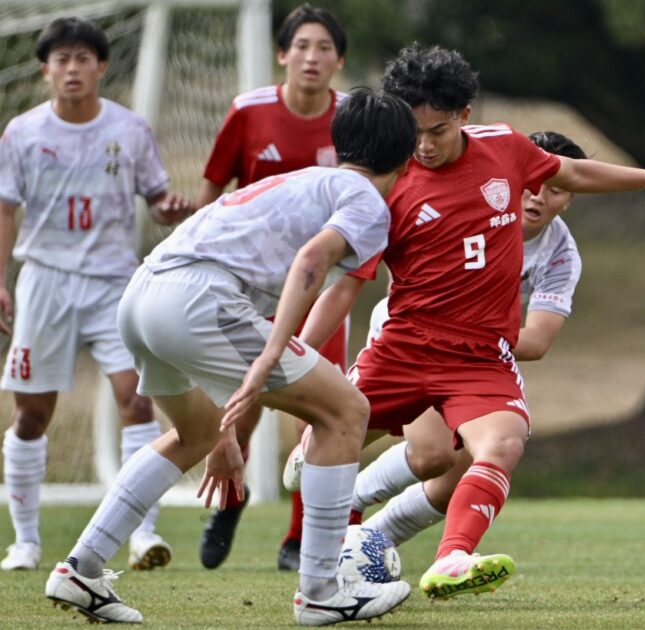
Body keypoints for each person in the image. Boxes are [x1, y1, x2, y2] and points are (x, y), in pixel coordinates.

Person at [224, 42, 645, 601]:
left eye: (437, 131)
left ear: (464, 115)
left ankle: (452, 558)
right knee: (341, 437)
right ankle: (320, 573)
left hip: (479, 355)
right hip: (403, 347)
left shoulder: (506, 148)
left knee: (503, 443)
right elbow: (343, 287)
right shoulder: (386, 186)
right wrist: (292, 356)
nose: (424, 145)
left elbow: (572, 171)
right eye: (413, 132)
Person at [43, 89, 417, 625]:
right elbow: (313, 260)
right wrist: (271, 351)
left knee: (194, 435)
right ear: (406, 160)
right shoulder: (366, 201)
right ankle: (321, 590)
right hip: (199, 300)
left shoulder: (301, 181)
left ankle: (81, 568)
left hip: (144, 294)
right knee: (347, 411)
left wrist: (225, 435)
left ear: (338, 144)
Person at [284, 131, 588, 548]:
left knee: (449, 478)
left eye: (555, 190)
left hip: (478, 352)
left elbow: (535, 341)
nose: (538, 196)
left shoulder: (561, 254)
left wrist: (469, 332)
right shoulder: (471, 199)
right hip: (409, 339)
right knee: (432, 453)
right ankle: (335, 486)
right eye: (533, 182)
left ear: (570, 198)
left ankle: (371, 541)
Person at [0, 17, 192, 572]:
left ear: (101, 66)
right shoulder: (22, 133)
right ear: (45, 70)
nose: (72, 69)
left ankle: (142, 535)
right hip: (45, 281)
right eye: (61, 59)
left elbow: (156, 197)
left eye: (83, 58)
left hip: (113, 283)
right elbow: (5, 210)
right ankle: (25, 542)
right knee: (32, 414)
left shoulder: (130, 130)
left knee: (137, 400)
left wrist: (168, 209)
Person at [195, 3, 350, 573]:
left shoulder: (351, 119)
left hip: (322, 285)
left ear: (339, 60)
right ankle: (229, 503)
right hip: (250, 286)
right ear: (282, 54)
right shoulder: (249, 111)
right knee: (244, 404)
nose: (312, 57)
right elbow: (211, 193)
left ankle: (298, 538)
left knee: (319, 408)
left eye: (324, 47)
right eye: (302, 46)